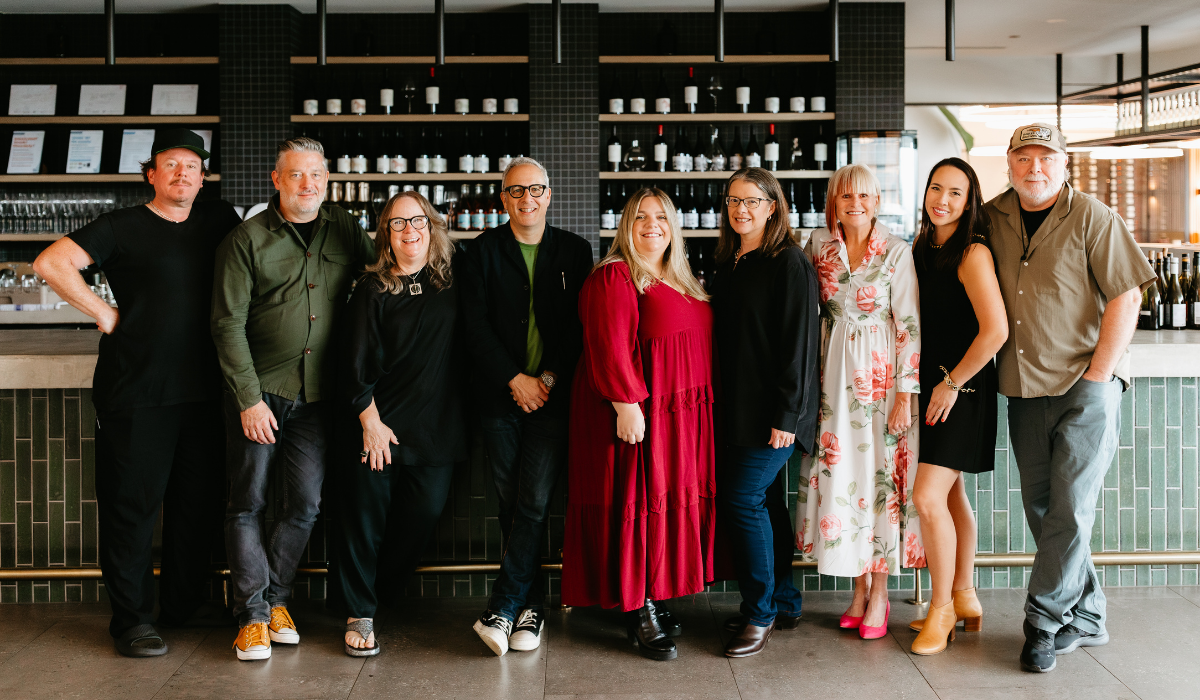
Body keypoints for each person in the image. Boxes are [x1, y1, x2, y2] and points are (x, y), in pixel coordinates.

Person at [32, 129, 241, 657]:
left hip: (205, 392)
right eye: (171, 165)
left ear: (203, 176)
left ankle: (184, 604)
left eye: (192, 166)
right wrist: (104, 312)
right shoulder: (121, 225)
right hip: (137, 391)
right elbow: (51, 263)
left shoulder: (222, 221)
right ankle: (130, 620)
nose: (182, 174)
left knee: (197, 505)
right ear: (151, 174)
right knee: (132, 508)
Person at [985, 123, 1155, 673]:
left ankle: (1042, 621)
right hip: (1023, 385)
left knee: (1072, 508)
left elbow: (1126, 296)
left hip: (1087, 386)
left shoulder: (1094, 216)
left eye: (1046, 159)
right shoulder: (990, 218)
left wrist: (1099, 375)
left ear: (1065, 164)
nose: (1036, 169)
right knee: (1045, 509)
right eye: (1025, 158)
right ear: (1009, 163)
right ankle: (1089, 614)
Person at [211, 137, 374, 661]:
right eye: (297, 175)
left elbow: (380, 280)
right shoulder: (245, 239)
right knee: (248, 503)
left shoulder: (344, 227)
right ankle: (252, 616)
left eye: (317, 176)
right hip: (259, 394)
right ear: (276, 180)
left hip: (320, 398)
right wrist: (248, 398)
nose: (309, 185)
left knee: (304, 504)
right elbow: (226, 323)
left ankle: (276, 600)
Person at [562, 188, 715, 661]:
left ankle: (656, 592)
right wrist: (626, 403)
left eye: (662, 218)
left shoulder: (679, 277)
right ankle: (638, 607)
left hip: (680, 419)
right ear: (625, 225)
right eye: (641, 217)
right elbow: (608, 343)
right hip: (637, 413)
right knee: (635, 501)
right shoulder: (615, 276)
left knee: (661, 505)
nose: (653, 226)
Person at [460, 157, 594, 656]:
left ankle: (503, 606)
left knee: (533, 499)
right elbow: (473, 327)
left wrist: (547, 380)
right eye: (516, 192)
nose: (526, 199)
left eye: (535, 190)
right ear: (503, 198)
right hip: (498, 398)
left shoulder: (575, 251)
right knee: (511, 502)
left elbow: (579, 328)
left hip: (554, 399)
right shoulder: (480, 253)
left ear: (549, 194)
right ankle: (531, 609)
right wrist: (515, 379)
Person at [332, 191, 466, 657]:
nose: (411, 231)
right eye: (398, 224)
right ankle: (359, 610)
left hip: (436, 428)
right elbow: (351, 364)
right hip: (379, 426)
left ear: (432, 226)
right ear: (386, 236)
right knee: (363, 521)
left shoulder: (452, 277)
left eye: (418, 221)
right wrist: (369, 421)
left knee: (423, 517)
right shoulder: (373, 288)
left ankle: (375, 593)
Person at [796, 163, 922, 640]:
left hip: (881, 382)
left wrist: (904, 397)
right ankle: (857, 587)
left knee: (881, 482)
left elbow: (908, 325)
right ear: (834, 201)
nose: (856, 204)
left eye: (865, 196)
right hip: (832, 382)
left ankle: (882, 593)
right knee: (843, 475)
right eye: (846, 196)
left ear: (877, 201)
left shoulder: (896, 252)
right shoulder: (817, 247)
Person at [708, 167, 821, 658]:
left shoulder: (787, 262)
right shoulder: (731, 261)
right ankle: (784, 599)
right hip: (738, 409)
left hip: (774, 414)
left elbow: (799, 344)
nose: (741, 209)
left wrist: (787, 415)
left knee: (741, 500)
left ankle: (759, 613)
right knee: (769, 503)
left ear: (773, 206)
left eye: (752, 200)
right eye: (733, 200)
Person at [905, 158, 1008, 655]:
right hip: (933, 384)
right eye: (935, 188)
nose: (941, 199)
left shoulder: (972, 253)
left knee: (927, 498)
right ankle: (965, 595)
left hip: (961, 389)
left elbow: (996, 331)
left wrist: (949, 383)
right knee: (949, 497)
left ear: (970, 202)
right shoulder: (925, 247)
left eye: (955, 193)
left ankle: (941, 608)